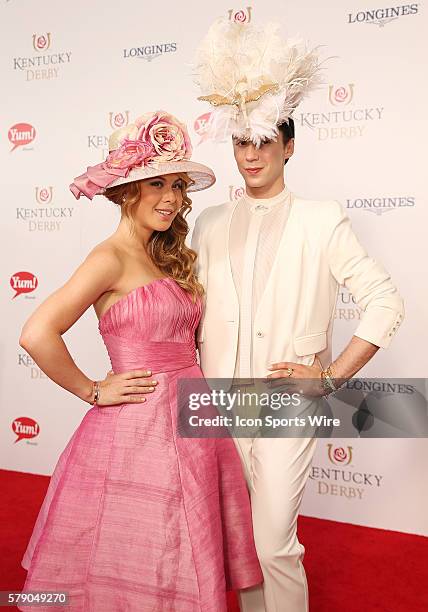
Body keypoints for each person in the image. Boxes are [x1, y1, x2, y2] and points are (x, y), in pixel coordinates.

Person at [191, 18, 405, 612]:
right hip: (218, 402)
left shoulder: (321, 217)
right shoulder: (207, 224)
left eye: (265, 142)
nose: (252, 155)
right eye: (241, 142)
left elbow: (386, 302)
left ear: (289, 146)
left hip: (287, 400)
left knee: (273, 542)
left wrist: (331, 376)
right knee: (239, 544)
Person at [18, 110, 263, 611]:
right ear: (126, 190)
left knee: (180, 546)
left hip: (195, 422)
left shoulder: (166, 255)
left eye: (177, 185)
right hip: (138, 431)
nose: (172, 197)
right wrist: (93, 388)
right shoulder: (108, 257)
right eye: (157, 184)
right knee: (136, 547)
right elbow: (36, 333)